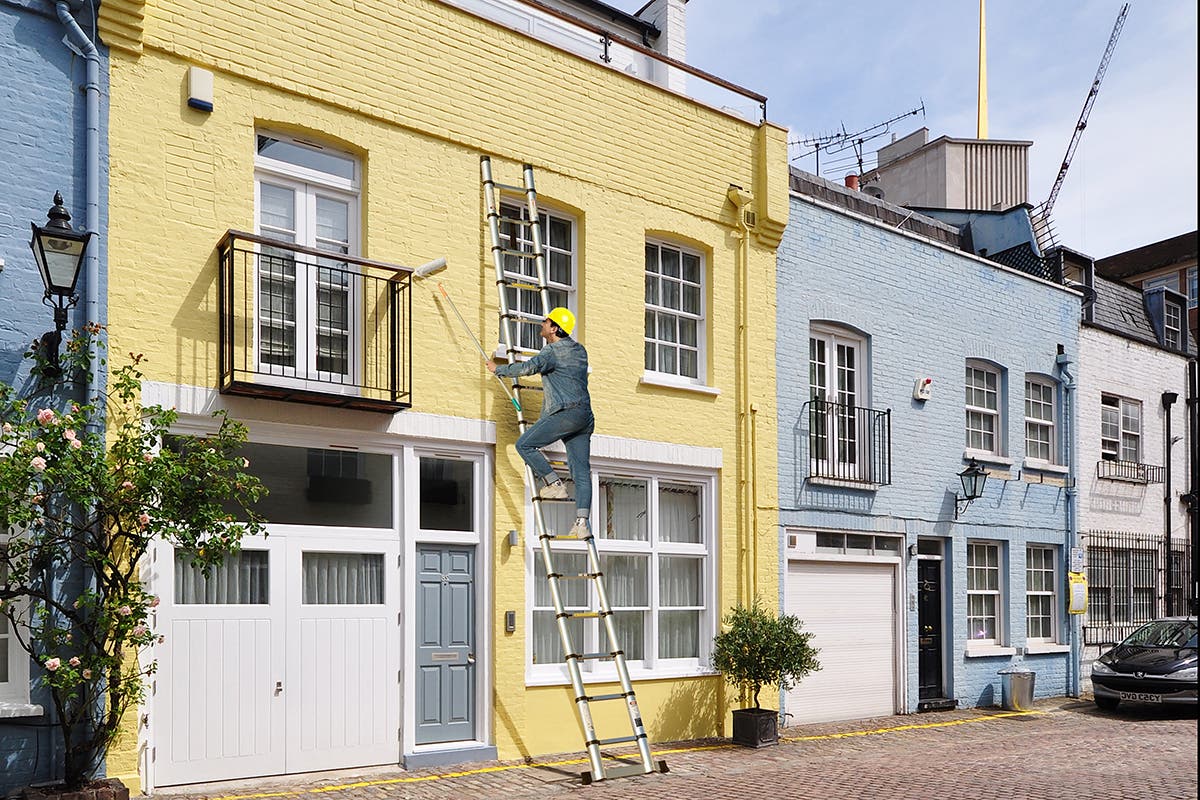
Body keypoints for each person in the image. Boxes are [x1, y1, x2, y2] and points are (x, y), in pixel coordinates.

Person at [488, 307, 593, 538]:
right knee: (581, 471)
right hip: (584, 416)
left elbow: (527, 368)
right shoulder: (580, 350)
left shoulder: (551, 352)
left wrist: (498, 369)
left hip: (566, 413)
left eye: (546, 322)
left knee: (524, 445)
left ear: (554, 328)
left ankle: (554, 484)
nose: (542, 325)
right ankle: (582, 523)